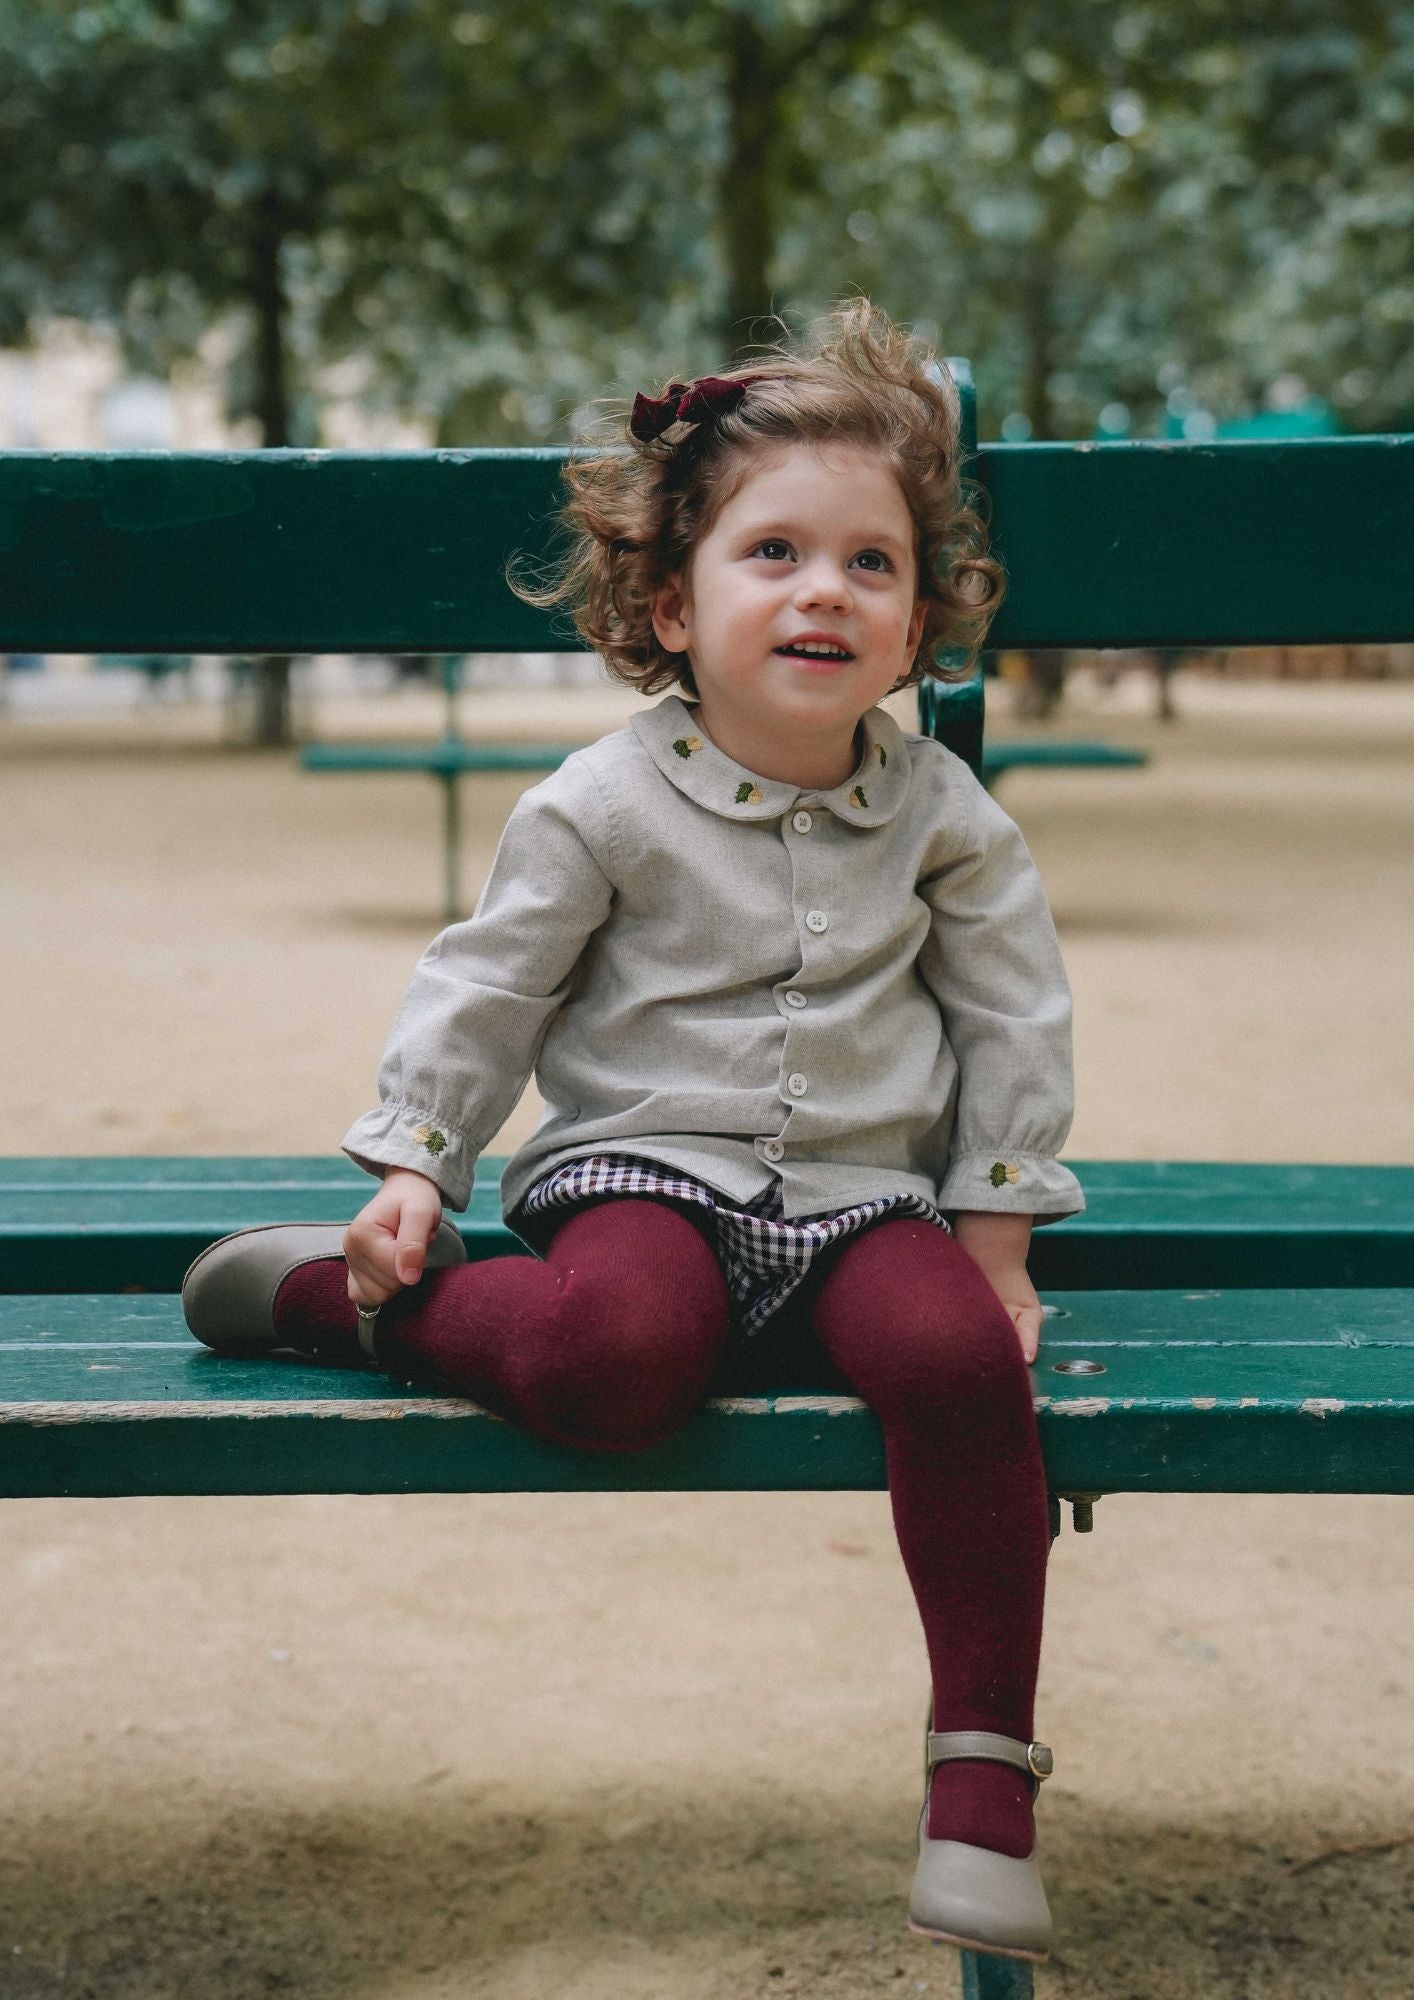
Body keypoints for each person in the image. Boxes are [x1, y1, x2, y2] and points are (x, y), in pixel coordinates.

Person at [182, 298, 1084, 1966]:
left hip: (864, 1198)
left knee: (964, 1366)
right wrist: (409, 1173)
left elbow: (1012, 1019)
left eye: (870, 565)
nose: (824, 589)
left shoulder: (947, 819)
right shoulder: (598, 802)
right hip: (644, 1170)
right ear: (672, 602)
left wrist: (995, 1238)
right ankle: (342, 1301)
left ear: (916, 624)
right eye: (774, 553)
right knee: (616, 1362)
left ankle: (981, 1784)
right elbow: (489, 988)